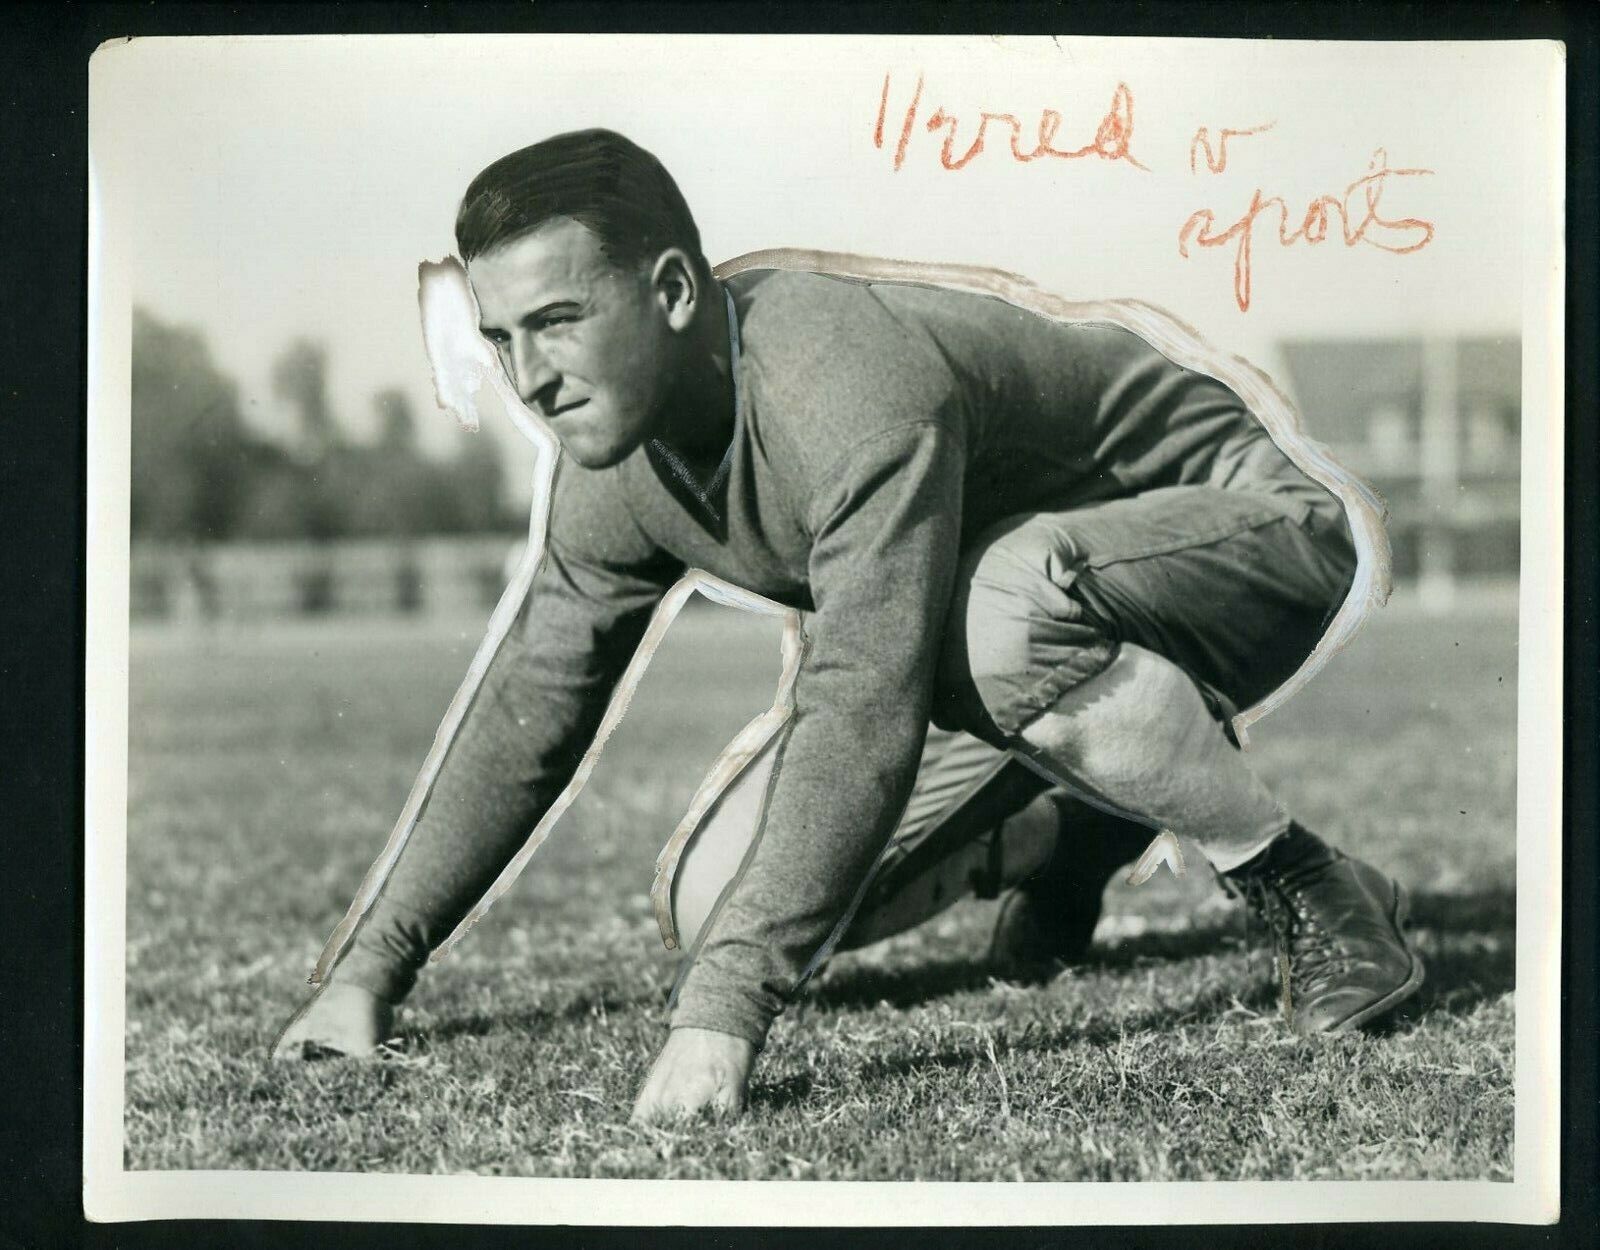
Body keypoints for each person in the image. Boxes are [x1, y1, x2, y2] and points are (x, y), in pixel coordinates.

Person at [273, 129, 1423, 1122]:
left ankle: (1313, 886)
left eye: (559, 322)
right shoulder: (612, 456)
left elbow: (863, 698)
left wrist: (725, 1011)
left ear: (673, 292)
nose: (529, 375)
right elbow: (536, 698)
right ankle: (1070, 833)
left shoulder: (840, 377)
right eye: (504, 336)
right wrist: (372, 969)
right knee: (709, 902)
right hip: (1010, 626)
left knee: (995, 614)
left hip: (1246, 531)